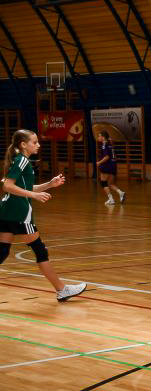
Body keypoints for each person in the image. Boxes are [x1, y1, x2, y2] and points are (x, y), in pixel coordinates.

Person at [1, 129, 87, 301]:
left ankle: (62, 289)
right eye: (34, 142)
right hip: (19, 213)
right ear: (23, 144)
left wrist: (49, 184)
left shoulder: (20, 160)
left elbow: (23, 187)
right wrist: (33, 196)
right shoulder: (22, 160)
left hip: (7, 211)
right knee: (40, 251)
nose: (38, 145)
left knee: (2, 252)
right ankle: (62, 289)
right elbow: (7, 186)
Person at [95, 131, 125, 205]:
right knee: (110, 183)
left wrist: (99, 162)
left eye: (99, 136)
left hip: (107, 165)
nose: (98, 138)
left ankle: (111, 199)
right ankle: (121, 193)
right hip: (113, 165)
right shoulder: (110, 144)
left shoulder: (104, 145)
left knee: (103, 183)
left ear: (103, 137)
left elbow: (107, 157)